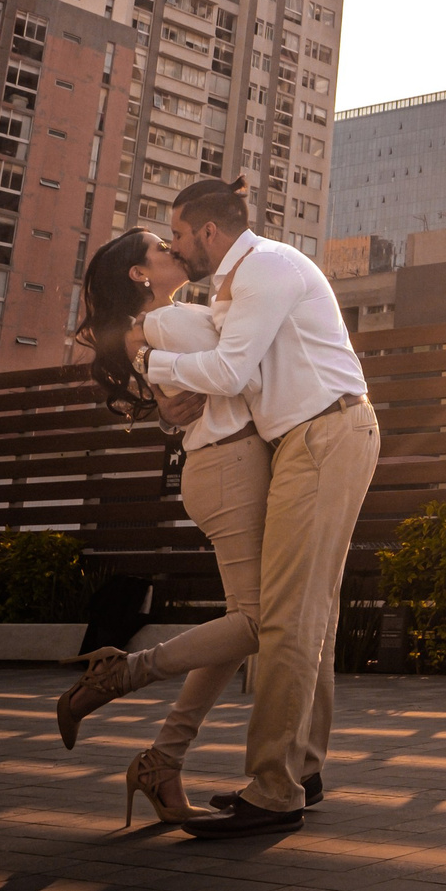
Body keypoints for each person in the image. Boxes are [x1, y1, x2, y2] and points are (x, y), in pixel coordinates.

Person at [131, 175, 376, 841]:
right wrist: (176, 384)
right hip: (312, 435)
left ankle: (274, 790)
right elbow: (226, 370)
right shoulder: (241, 285)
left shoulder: (266, 268)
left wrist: (154, 364)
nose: (177, 248)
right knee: (308, 609)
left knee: (287, 614)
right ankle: (303, 766)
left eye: (179, 234)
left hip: (324, 433)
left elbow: (231, 372)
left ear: (209, 231)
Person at [55, 228, 274, 826]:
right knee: (257, 623)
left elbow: (187, 394)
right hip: (230, 468)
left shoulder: (155, 327)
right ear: (138, 274)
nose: (173, 250)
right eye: (160, 246)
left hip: (222, 466)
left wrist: (161, 415)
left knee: (241, 625)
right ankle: (121, 673)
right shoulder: (172, 323)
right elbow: (248, 360)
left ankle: (163, 760)